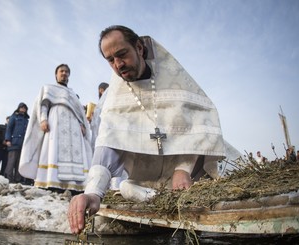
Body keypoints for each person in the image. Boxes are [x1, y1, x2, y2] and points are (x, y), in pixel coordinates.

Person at [68, 25, 226, 234]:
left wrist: (183, 169)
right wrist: (92, 193)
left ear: (139, 48)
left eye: (122, 54)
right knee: (125, 187)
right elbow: (107, 147)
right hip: (147, 182)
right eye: (110, 60)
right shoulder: (116, 98)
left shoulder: (173, 80)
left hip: (187, 176)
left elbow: (197, 125)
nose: (118, 64)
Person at [19, 64, 92, 192]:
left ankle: (75, 185)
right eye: (61, 71)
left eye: (66, 72)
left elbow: (79, 112)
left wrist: (81, 124)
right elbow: (44, 105)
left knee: (75, 154)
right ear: (56, 74)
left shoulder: (73, 94)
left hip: (74, 128)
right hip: (55, 123)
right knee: (54, 150)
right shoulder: (49, 88)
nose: (64, 73)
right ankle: (52, 182)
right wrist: (43, 119)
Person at [4, 103, 29, 184]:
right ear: (18, 108)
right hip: (14, 142)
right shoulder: (14, 117)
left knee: (19, 162)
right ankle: (9, 178)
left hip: (23, 144)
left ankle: (17, 179)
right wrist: (8, 140)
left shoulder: (27, 120)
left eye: (24, 108)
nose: (23, 109)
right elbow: (9, 129)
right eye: (21, 107)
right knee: (11, 161)